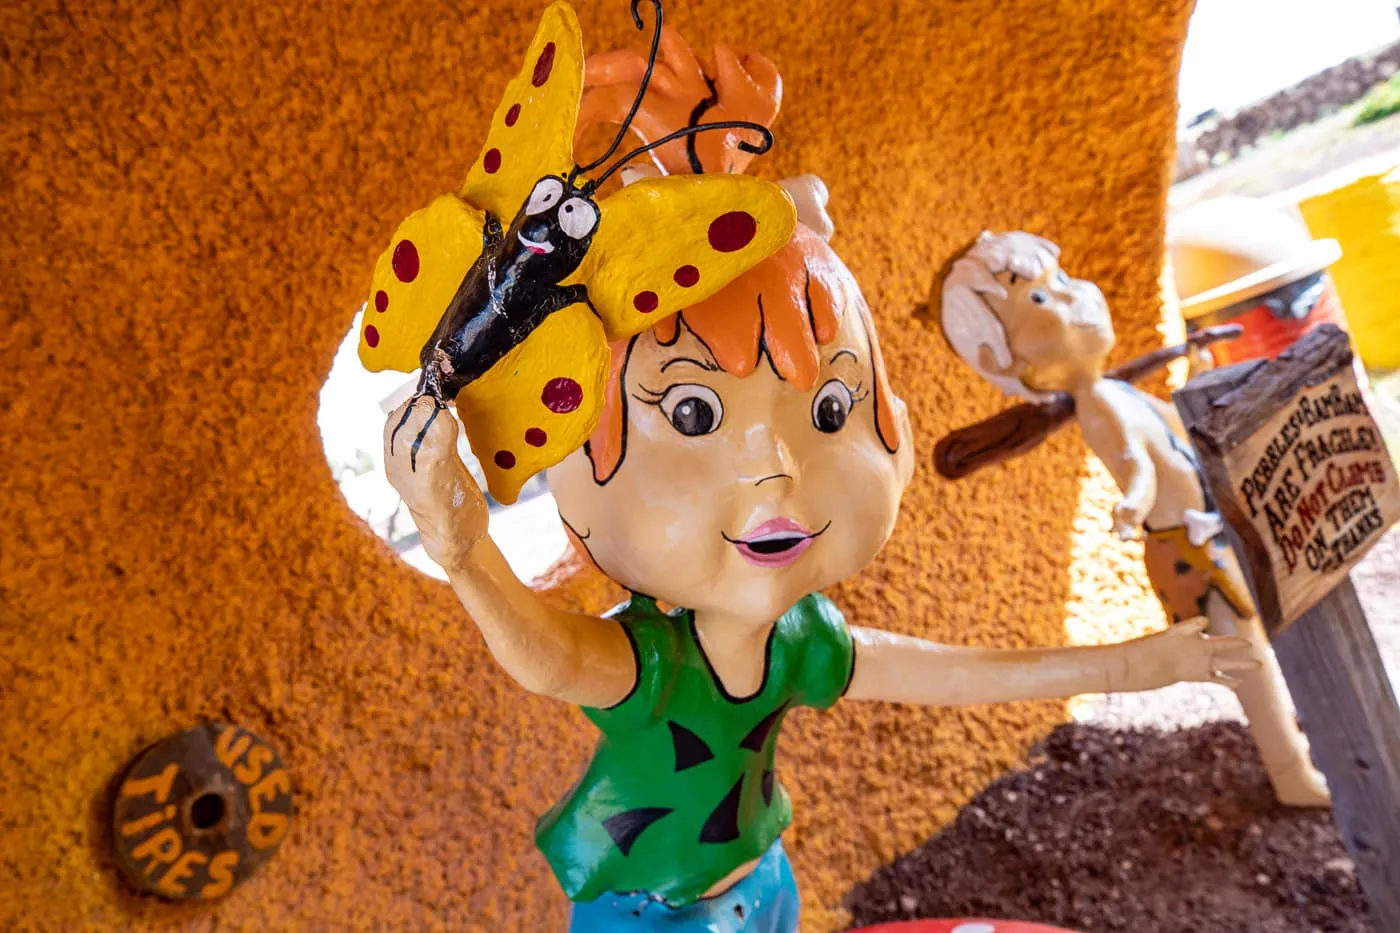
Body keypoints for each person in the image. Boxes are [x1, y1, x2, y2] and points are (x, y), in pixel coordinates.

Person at [941, 230, 1330, 808]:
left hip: (1212, 531)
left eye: (1065, 281)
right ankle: (1291, 772)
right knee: (1247, 659)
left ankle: (1304, 740)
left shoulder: (1113, 391)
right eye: (1043, 299)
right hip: (1192, 553)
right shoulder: (1100, 405)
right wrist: (1134, 502)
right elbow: (1133, 464)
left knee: (1267, 640)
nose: (1078, 296)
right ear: (1008, 361)